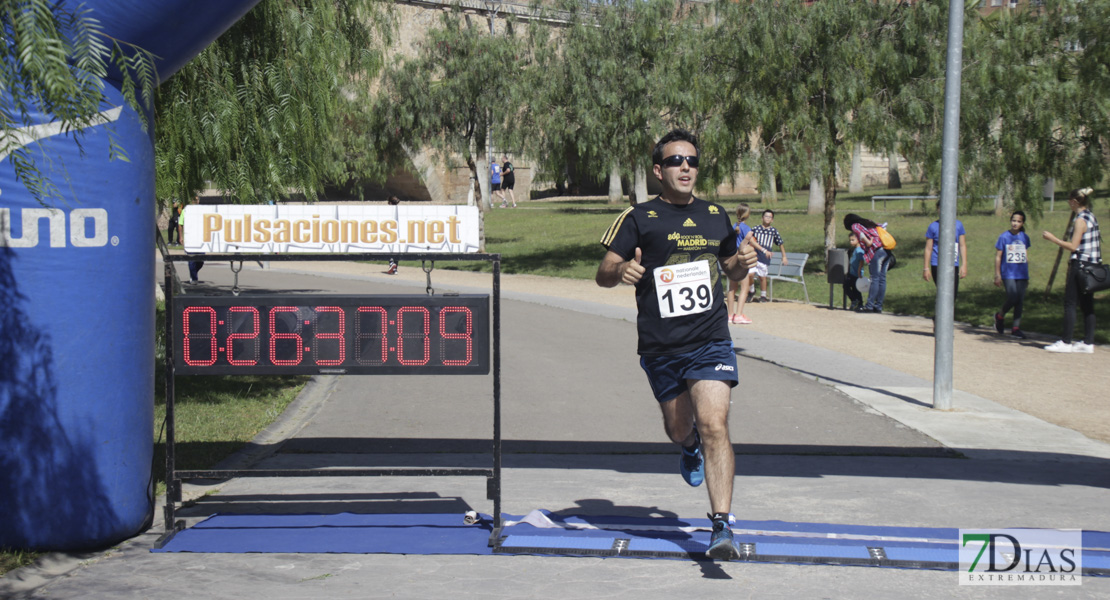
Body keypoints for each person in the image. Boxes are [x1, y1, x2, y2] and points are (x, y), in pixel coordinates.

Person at [595, 129, 757, 560]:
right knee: (680, 428)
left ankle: (721, 525)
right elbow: (604, 271)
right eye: (675, 161)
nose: (686, 167)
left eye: (692, 161)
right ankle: (687, 449)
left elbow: (731, 269)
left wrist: (740, 265)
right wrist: (621, 273)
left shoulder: (716, 215)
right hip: (661, 347)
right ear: (658, 170)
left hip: (710, 340)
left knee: (715, 424)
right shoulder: (638, 218)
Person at [1043, 187, 1101, 353]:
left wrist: (1053, 239)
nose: (1068, 203)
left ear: (1075, 202)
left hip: (1080, 265)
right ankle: (1088, 342)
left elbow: (1073, 246)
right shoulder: (1091, 216)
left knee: (1070, 302)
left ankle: (1066, 341)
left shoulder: (1080, 220)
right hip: (1092, 265)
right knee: (1087, 304)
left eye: (1070, 200)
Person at [993, 211, 1031, 339]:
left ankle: (1016, 328)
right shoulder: (1004, 237)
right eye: (1014, 220)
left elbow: (1025, 256)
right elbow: (998, 257)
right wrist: (997, 274)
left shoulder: (1024, 237)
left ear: (1022, 223)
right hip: (1008, 273)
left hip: (1021, 273)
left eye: (1019, 221)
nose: (1015, 223)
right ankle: (1000, 316)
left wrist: (1027, 274)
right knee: (1013, 297)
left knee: (1019, 300)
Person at [842, 213, 889, 313]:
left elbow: (864, 238)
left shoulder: (855, 226)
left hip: (876, 252)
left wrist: (868, 242)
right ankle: (878, 306)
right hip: (886, 251)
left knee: (875, 278)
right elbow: (883, 227)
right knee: (882, 279)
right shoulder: (868, 222)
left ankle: (870, 306)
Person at [726, 203, 762, 324]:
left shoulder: (733, 226)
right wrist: (763, 250)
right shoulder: (746, 228)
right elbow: (751, 241)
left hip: (733, 258)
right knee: (744, 287)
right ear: (747, 214)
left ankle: (730, 314)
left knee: (732, 288)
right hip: (742, 258)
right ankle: (739, 314)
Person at [923, 202, 968, 299]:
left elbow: (962, 245)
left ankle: (950, 314)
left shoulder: (958, 225)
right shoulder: (933, 226)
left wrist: (964, 264)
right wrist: (926, 268)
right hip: (937, 264)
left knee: (953, 293)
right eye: (940, 208)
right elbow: (928, 248)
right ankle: (940, 314)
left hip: (953, 263)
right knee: (942, 292)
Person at [750, 209, 787, 303]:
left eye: (770, 217)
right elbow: (749, 239)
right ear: (762, 218)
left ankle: (763, 295)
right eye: (766, 216)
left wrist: (784, 256)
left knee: (762, 276)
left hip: (764, 257)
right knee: (749, 274)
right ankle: (751, 290)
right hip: (754, 255)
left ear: (772, 220)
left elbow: (780, 243)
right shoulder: (755, 229)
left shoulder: (773, 231)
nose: (767, 218)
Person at [845, 231, 866, 311]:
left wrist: (859, 272)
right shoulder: (855, 249)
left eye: (853, 240)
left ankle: (857, 302)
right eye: (850, 240)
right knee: (855, 288)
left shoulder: (859, 250)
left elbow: (861, 261)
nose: (851, 242)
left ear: (858, 240)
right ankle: (858, 303)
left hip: (856, 274)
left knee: (849, 286)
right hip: (852, 273)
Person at [185, 195, 204, 283]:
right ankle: (194, 278)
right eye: (193, 200)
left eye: (196, 200)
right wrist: (181, 237)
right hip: (190, 238)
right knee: (191, 259)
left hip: (200, 239)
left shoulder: (202, 211)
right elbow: (181, 224)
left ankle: (193, 273)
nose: (195, 201)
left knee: (201, 261)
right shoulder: (186, 210)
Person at [386, 195, 401, 275]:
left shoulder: (389, 211)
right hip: (398, 233)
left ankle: (392, 264)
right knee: (397, 251)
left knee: (389, 249)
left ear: (390, 203)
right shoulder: (399, 210)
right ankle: (395, 269)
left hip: (390, 233)